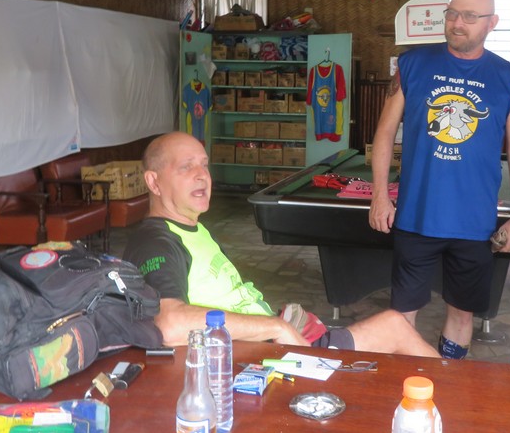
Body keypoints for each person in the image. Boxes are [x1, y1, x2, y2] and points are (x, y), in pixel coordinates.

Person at [123, 131, 440, 358]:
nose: (202, 175)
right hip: (262, 360)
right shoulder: (155, 241)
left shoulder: (193, 228)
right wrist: (273, 327)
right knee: (395, 327)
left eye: (204, 164)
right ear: (153, 182)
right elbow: (169, 324)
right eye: (186, 167)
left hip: (275, 344)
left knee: (394, 327)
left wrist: (279, 322)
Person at [368, 0, 510, 359]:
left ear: (492, 22)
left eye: (469, 17)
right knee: (402, 314)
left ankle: (450, 378)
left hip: (475, 222)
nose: (457, 23)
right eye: (452, 14)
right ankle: (406, 381)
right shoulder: (412, 65)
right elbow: (384, 133)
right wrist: (379, 196)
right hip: (416, 215)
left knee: (462, 314)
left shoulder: (508, 78)